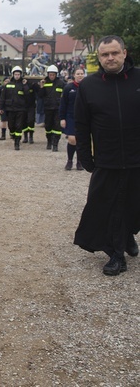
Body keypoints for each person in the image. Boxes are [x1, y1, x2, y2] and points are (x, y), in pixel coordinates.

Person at [74, 35, 140, 276]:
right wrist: (84, 155)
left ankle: (127, 234)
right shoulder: (89, 86)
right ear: (99, 57)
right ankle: (116, 254)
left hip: (136, 157)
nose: (110, 58)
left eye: (114, 53)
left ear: (124, 53)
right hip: (107, 159)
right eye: (105, 54)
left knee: (133, 204)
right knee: (105, 206)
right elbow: (81, 124)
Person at [59, 68, 85, 170]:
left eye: (82, 74)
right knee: (72, 139)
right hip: (70, 116)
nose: (80, 75)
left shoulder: (87, 87)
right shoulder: (68, 88)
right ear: (74, 75)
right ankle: (70, 160)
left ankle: (79, 162)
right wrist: (62, 118)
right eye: (78, 74)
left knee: (81, 140)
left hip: (84, 117)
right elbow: (63, 104)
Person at [0, 67, 29, 150]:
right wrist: (1, 107)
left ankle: (17, 142)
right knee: (11, 126)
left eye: (18, 74)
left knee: (18, 125)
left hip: (20, 109)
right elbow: (2, 97)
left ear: (21, 75)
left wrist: (25, 85)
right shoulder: (7, 85)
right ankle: (13, 135)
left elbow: (27, 95)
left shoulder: (23, 85)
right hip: (10, 109)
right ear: (13, 75)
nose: (17, 76)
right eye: (15, 74)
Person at [38, 65, 65, 152]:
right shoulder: (44, 82)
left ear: (56, 74)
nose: (52, 76)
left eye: (53, 75)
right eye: (50, 75)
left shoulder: (61, 83)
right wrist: (41, 87)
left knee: (57, 126)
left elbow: (65, 95)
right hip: (48, 108)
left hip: (58, 108)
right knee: (48, 126)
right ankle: (49, 141)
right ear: (48, 74)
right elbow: (40, 96)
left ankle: (55, 144)